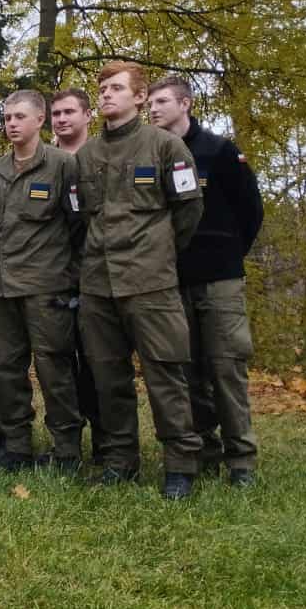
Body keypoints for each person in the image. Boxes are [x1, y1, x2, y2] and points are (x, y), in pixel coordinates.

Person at [74, 61, 204, 499]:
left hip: (150, 284)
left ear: (140, 96)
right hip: (97, 284)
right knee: (108, 379)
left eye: (116, 88)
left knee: (165, 375)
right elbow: (83, 217)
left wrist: (159, 253)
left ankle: (181, 466)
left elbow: (188, 211)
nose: (107, 95)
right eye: (103, 89)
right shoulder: (88, 155)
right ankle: (119, 460)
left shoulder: (166, 147)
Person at [146, 75, 264, 486]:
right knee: (187, 369)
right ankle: (204, 451)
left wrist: (227, 255)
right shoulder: (155, 154)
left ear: (185, 104)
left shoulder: (220, 152)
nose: (153, 109)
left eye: (161, 102)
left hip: (219, 280)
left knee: (226, 368)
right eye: (150, 103)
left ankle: (241, 461)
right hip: (171, 280)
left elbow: (251, 212)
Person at [0, 91, 84, 470]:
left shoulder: (62, 166)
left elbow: (78, 228)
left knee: (55, 368)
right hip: (0, 286)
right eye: (7, 118)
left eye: (19, 117)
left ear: (41, 120)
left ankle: (67, 450)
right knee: (5, 367)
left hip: (45, 287)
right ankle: (17, 447)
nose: (11, 124)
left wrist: (69, 280)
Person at [49, 86, 101, 459]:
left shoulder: (100, 157)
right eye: (56, 113)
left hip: (98, 275)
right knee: (58, 365)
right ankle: (66, 446)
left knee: (98, 365)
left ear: (87, 116)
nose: (63, 119)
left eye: (70, 112)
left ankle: (106, 443)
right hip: (51, 278)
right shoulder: (44, 161)